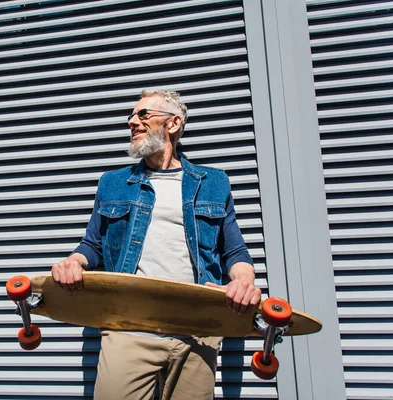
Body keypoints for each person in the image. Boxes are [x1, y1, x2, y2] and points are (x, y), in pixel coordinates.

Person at [51, 89, 261, 399]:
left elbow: (234, 251)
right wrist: (74, 262)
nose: (132, 121)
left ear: (173, 124)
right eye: (132, 116)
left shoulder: (214, 183)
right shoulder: (113, 182)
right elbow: (93, 245)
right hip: (129, 325)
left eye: (143, 114)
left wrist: (243, 282)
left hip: (197, 327)